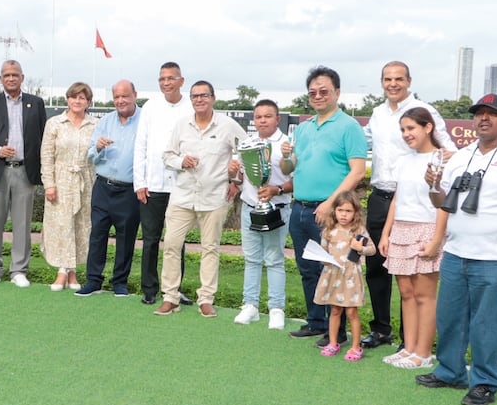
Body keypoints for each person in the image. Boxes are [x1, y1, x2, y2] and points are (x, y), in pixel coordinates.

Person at [417, 93, 497, 405]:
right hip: (456, 252)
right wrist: (433, 185)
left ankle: (485, 383)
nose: (483, 119)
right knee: (449, 318)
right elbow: (443, 203)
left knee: (488, 324)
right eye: (479, 114)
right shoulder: (461, 156)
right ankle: (450, 372)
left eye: (492, 113)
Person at [362, 61, 451, 350]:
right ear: (382, 82)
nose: (393, 84)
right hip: (382, 197)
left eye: (399, 79)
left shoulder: (424, 110)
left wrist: (435, 173)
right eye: (387, 79)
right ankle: (381, 330)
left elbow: (449, 149)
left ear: (409, 81)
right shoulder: (377, 113)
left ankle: (409, 342)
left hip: (418, 203)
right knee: (377, 267)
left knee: (413, 278)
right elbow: (362, 144)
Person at [280, 66, 368, 347]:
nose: (317, 96)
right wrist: (285, 157)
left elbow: (357, 171)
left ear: (337, 93)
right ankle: (316, 322)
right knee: (307, 269)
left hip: (331, 212)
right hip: (300, 207)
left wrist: (330, 204)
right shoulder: (304, 128)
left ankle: (337, 331)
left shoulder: (349, 127)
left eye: (323, 91)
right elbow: (290, 168)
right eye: (312, 92)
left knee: (333, 269)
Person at [154, 81, 245, 317]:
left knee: (210, 248)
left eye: (204, 95)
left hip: (214, 198)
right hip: (182, 196)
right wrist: (181, 161)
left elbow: (247, 152)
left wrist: (236, 181)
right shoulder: (182, 125)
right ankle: (170, 297)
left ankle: (205, 299)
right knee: (171, 245)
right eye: (195, 96)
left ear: (213, 98)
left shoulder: (227, 125)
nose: (199, 99)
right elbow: (167, 156)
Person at [378, 107, 447, 369]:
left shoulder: (443, 159)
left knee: (424, 295)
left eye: (411, 128)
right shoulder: (404, 160)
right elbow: (397, 200)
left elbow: (444, 203)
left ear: (428, 127)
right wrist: (386, 233)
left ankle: (423, 353)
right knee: (406, 293)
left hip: (427, 229)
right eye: (403, 130)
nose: (406, 134)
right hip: (401, 230)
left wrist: (437, 240)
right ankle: (408, 348)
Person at [0, 59, 47, 288]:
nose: (11, 78)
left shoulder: (36, 103)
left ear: (22, 77)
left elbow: (43, 136)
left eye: (15, 74)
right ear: (0, 79)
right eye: (7, 75)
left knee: (22, 224)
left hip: (25, 171)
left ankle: (19, 270)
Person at [227, 99, 293, 329]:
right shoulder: (247, 144)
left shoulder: (286, 145)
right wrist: (233, 174)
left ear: (277, 119)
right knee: (252, 259)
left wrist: (277, 190)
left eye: (267, 116)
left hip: (277, 209)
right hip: (250, 207)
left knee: (274, 260)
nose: (262, 120)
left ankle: (276, 308)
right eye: (258, 117)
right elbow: (240, 180)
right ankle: (250, 306)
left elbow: (297, 179)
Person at [134, 62, 194, 306]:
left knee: (177, 241)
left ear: (181, 81)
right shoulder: (150, 106)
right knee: (150, 240)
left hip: (181, 185)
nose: (166, 83)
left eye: (171, 78)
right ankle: (149, 289)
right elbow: (141, 145)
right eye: (162, 79)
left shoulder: (191, 106)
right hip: (153, 185)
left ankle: (174, 289)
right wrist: (140, 182)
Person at [76, 80, 140, 297]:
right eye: (116, 97)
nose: (120, 101)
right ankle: (93, 280)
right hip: (103, 187)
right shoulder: (105, 121)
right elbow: (90, 155)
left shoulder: (145, 121)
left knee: (126, 237)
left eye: (125, 96)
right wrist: (98, 147)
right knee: (97, 235)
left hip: (130, 190)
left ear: (134, 95)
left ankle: (120, 282)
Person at [40, 82, 96, 291]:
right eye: (74, 97)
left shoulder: (95, 124)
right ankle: (62, 271)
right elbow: (47, 156)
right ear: (67, 99)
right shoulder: (55, 123)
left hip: (86, 180)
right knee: (61, 225)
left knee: (81, 226)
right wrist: (49, 184)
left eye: (82, 98)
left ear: (88, 102)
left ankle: (73, 271)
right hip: (61, 180)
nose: (77, 101)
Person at [313, 191, 374, 361]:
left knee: (352, 312)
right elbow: (323, 252)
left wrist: (360, 248)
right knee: (334, 310)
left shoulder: (359, 231)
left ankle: (356, 347)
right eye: (340, 210)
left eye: (348, 211)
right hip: (333, 275)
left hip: (350, 277)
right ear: (334, 211)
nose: (344, 215)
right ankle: (333, 342)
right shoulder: (329, 230)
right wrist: (323, 259)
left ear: (355, 213)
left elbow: (372, 249)